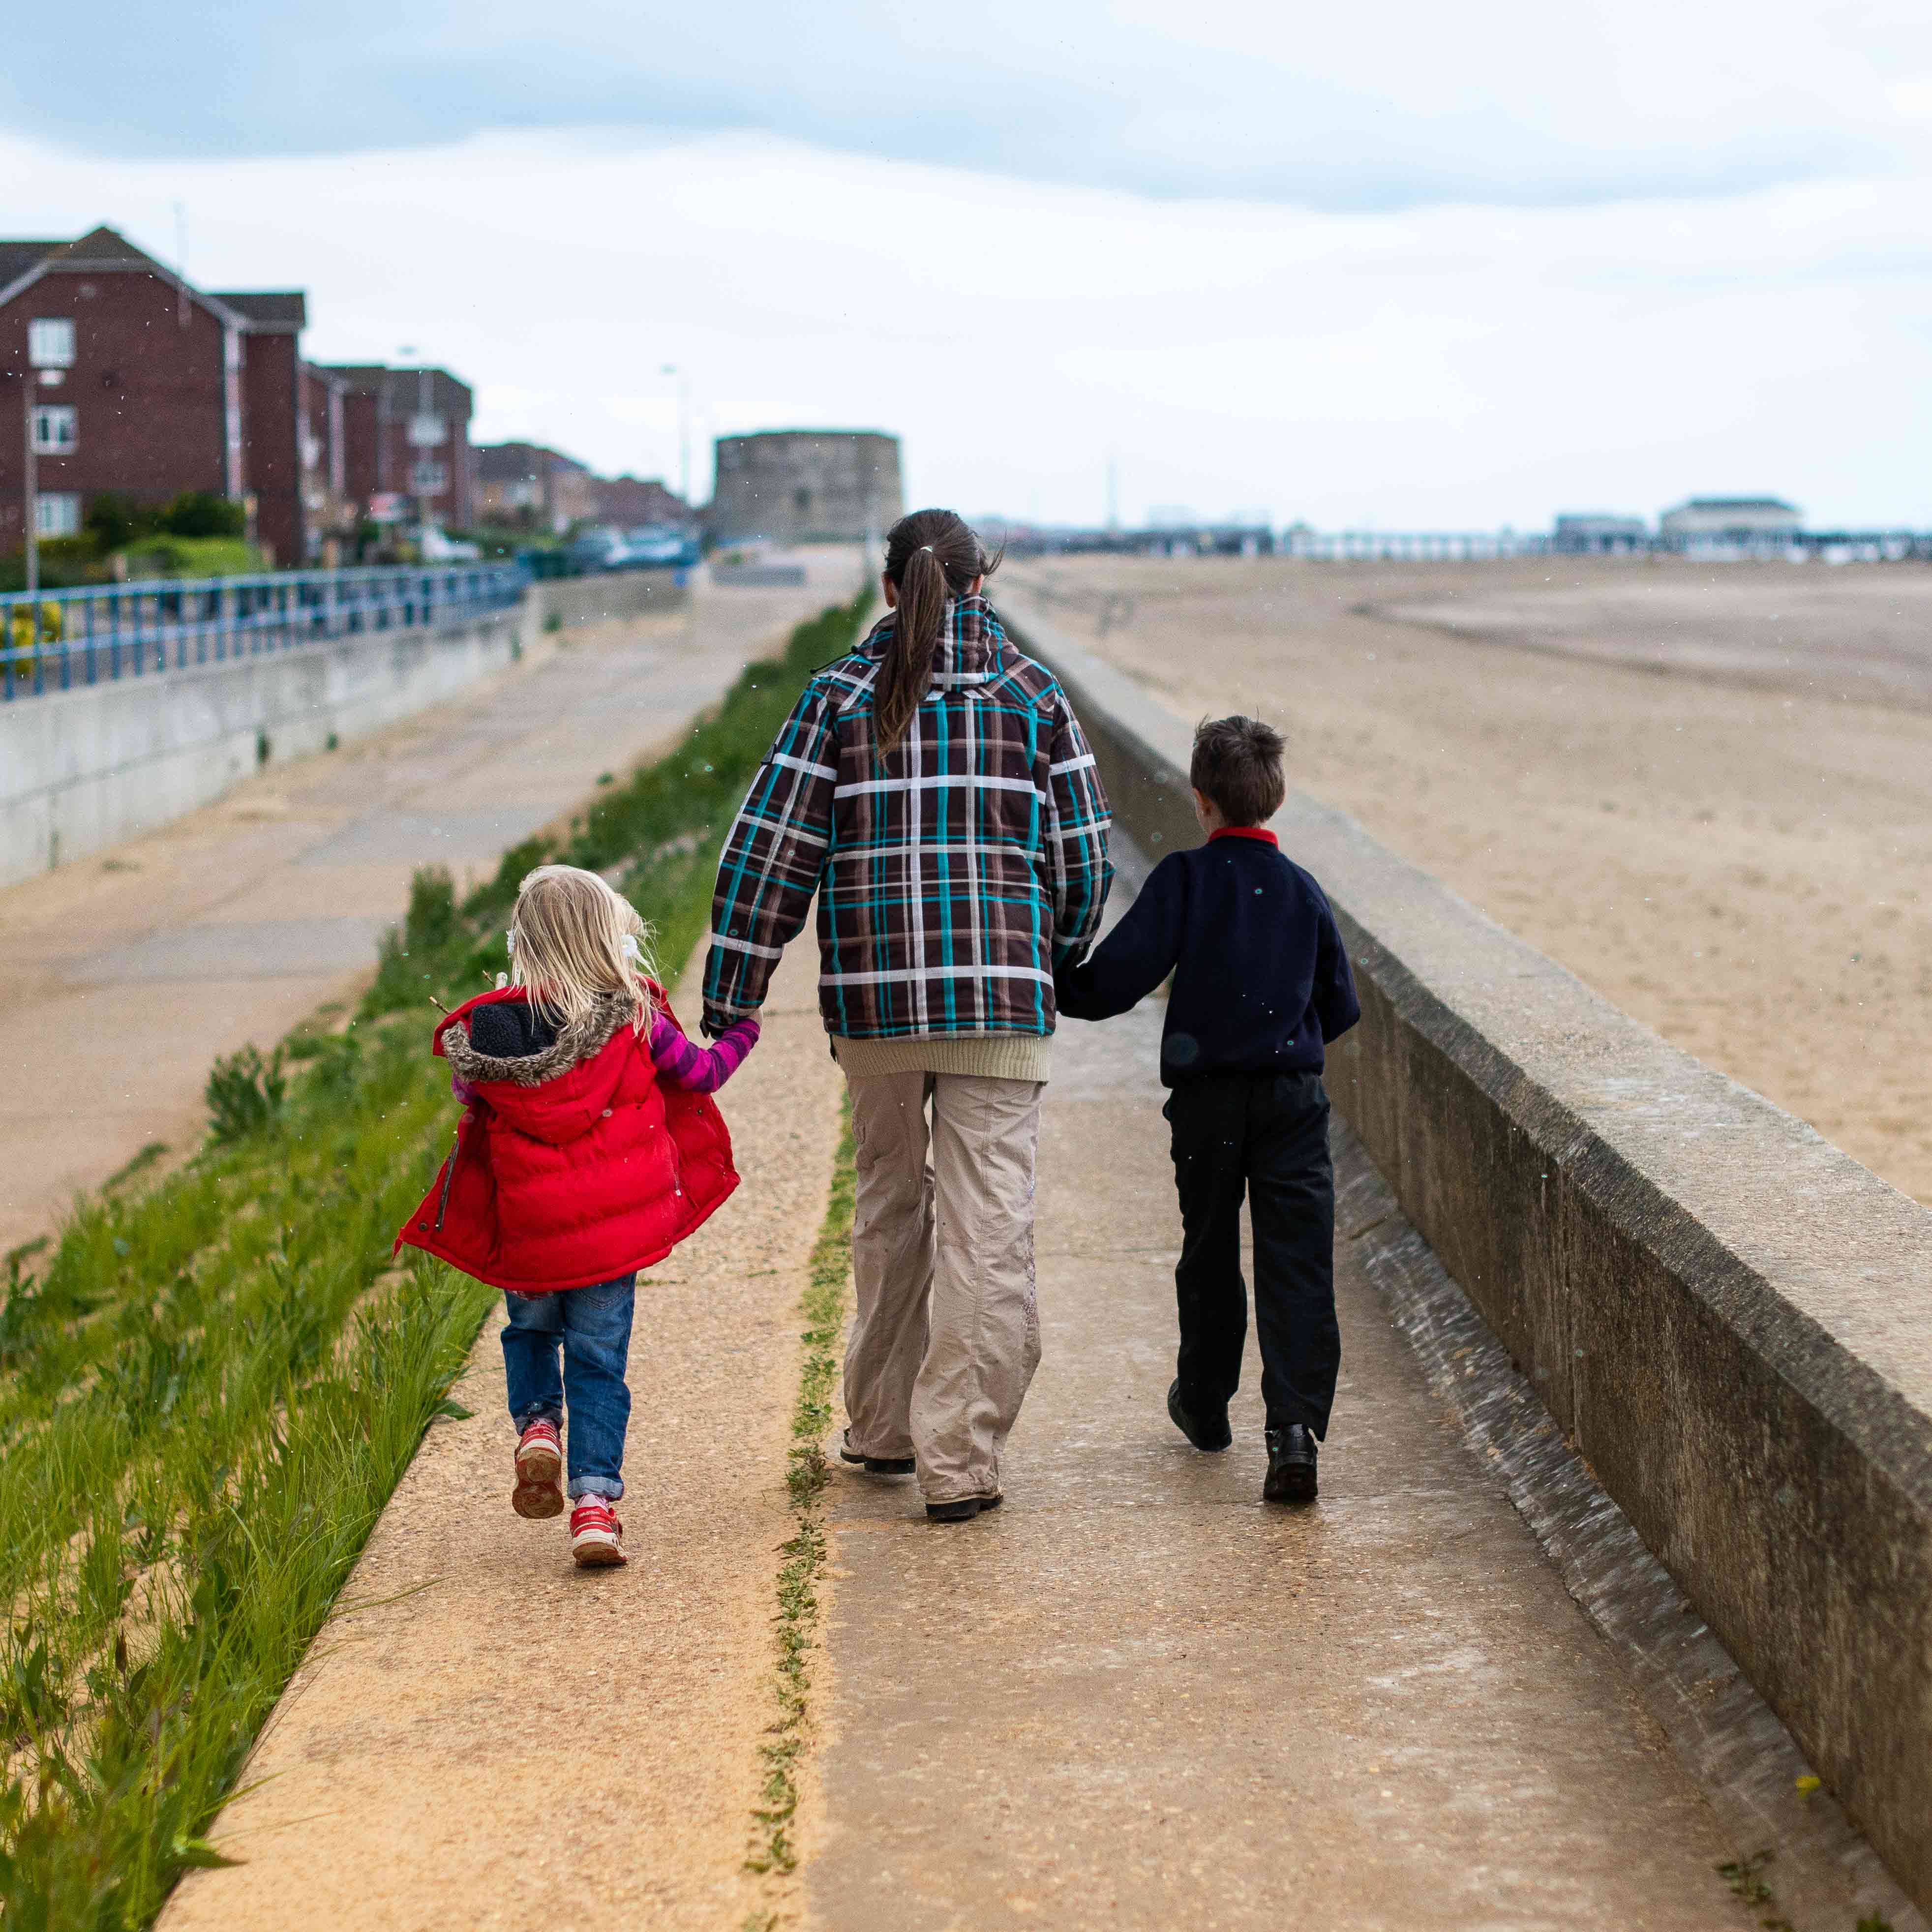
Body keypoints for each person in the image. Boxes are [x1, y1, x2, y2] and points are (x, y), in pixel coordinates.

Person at [702, 509, 1113, 1523]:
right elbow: (1086, 855)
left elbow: (768, 853)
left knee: (891, 1202)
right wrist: (1044, 954)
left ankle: (881, 1428)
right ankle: (959, 1459)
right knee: (989, 1225)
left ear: (890, 587)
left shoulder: (837, 694)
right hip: (999, 1002)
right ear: (982, 584)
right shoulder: (1032, 697)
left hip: (875, 1004)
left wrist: (729, 1002)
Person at [396, 864, 759, 1566]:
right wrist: (744, 1032)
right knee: (597, 1363)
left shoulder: (493, 1032)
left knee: (530, 1330)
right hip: (607, 1244)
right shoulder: (635, 1018)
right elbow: (703, 1075)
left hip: (531, 1236)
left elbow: (470, 1102)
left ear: (524, 946)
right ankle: (594, 1505)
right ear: (605, 938)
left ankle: (537, 1427)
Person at [1055, 716, 1359, 1503]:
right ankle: (1293, 1429)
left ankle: (1205, 1402)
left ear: (1201, 803)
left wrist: (1052, 970)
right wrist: (1283, 1034)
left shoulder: (1186, 881)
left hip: (1208, 1098)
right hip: (1293, 1096)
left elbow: (1111, 984)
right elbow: (1342, 1004)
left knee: (1211, 1250)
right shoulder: (1301, 889)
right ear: (1276, 800)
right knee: (1297, 1259)